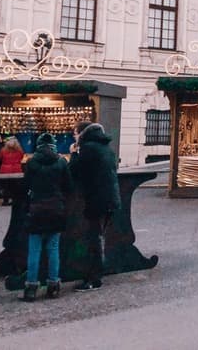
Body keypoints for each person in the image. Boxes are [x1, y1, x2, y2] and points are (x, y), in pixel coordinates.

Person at [69, 121, 120, 292]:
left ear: (82, 134)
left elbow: (75, 171)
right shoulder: (106, 147)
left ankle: (94, 278)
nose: (74, 137)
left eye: (75, 134)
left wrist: (74, 154)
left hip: (97, 199)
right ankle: (97, 272)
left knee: (94, 239)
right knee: (99, 236)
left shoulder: (88, 148)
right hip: (109, 198)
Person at [20, 132, 72, 302]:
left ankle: (31, 287)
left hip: (36, 208)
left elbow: (25, 185)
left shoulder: (32, 162)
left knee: (34, 250)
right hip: (56, 208)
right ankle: (53, 285)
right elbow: (68, 186)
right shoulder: (61, 162)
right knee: (53, 249)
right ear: (54, 146)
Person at [0, 136, 24, 206]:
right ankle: (14, 200)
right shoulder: (19, 151)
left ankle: (5, 200)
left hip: (5, 169)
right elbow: (21, 157)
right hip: (16, 169)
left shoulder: (3, 150)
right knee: (15, 186)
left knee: (5, 186)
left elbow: (0, 158)